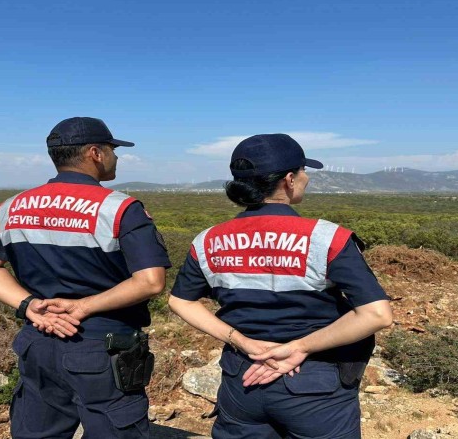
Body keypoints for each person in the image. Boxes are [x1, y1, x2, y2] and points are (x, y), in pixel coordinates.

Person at [168, 133, 392, 439]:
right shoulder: (327, 238)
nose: (306, 179)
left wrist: (241, 341)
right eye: (303, 172)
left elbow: (180, 301)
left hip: (242, 378)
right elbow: (377, 315)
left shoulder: (207, 240)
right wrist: (298, 347)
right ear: (289, 180)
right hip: (314, 383)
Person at [0, 117, 171, 439]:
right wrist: (83, 307)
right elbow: (150, 282)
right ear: (95, 153)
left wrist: (29, 306)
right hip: (102, 347)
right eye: (113, 149)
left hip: (38, 340)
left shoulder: (10, 207)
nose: (117, 156)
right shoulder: (120, 208)